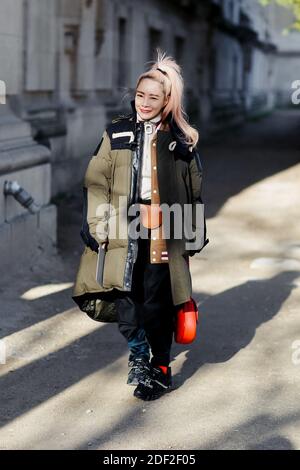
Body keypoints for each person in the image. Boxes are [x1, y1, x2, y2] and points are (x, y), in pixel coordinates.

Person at [72, 49, 209, 401]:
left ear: (167, 101)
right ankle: (137, 354)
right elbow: (96, 181)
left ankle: (160, 368)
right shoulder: (116, 133)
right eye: (139, 95)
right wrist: (96, 221)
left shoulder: (180, 142)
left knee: (158, 302)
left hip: (164, 232)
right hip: (122, 228)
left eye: (153, 97)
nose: (144, 103)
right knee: (125, 298)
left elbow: (194, 190)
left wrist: (192, 236)